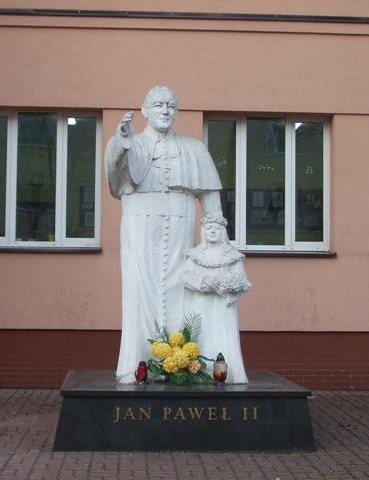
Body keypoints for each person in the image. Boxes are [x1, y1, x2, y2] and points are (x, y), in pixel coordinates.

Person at [106, 85, 223, 383]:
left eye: (170, 105)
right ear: (144, 110)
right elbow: (117, 178)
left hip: (181, 227)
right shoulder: (129, 143)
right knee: (138, 294)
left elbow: (211, 200)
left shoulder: (194, 149)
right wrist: (123, 142)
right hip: (139, 227)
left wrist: (217, 243)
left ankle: (180, 362)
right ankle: (137, 365)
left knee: (180, 293)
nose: (165, 111)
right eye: (158, 105)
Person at [183, 213, 251, 384]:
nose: (212, 231)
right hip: (200, 304)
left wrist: (224, 286)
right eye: (208, 228)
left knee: (223, 336)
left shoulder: (233, 255)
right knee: (202, 335)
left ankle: (228, 374)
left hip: (222, 306)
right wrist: (204, 283)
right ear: (203, 231)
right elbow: (186, 277)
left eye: (216, 228)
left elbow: (242, 281)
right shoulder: (195, 254)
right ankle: (199, 374)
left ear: (223, 231)